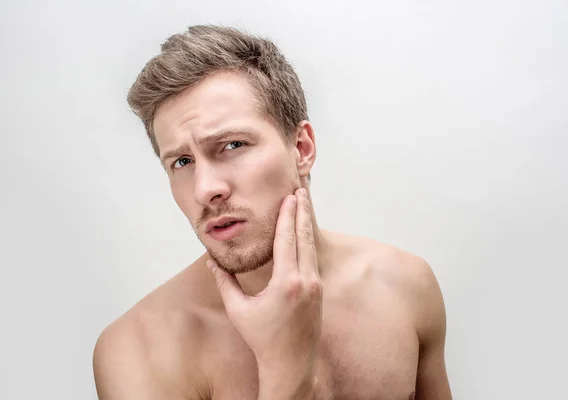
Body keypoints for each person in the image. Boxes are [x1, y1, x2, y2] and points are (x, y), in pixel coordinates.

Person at [93, 25, 452, 400]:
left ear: (301, 147)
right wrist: (285, 371)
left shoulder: (405, 285)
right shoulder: (137, 351)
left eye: (232, 144)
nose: (205, 189)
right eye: (182, 161)